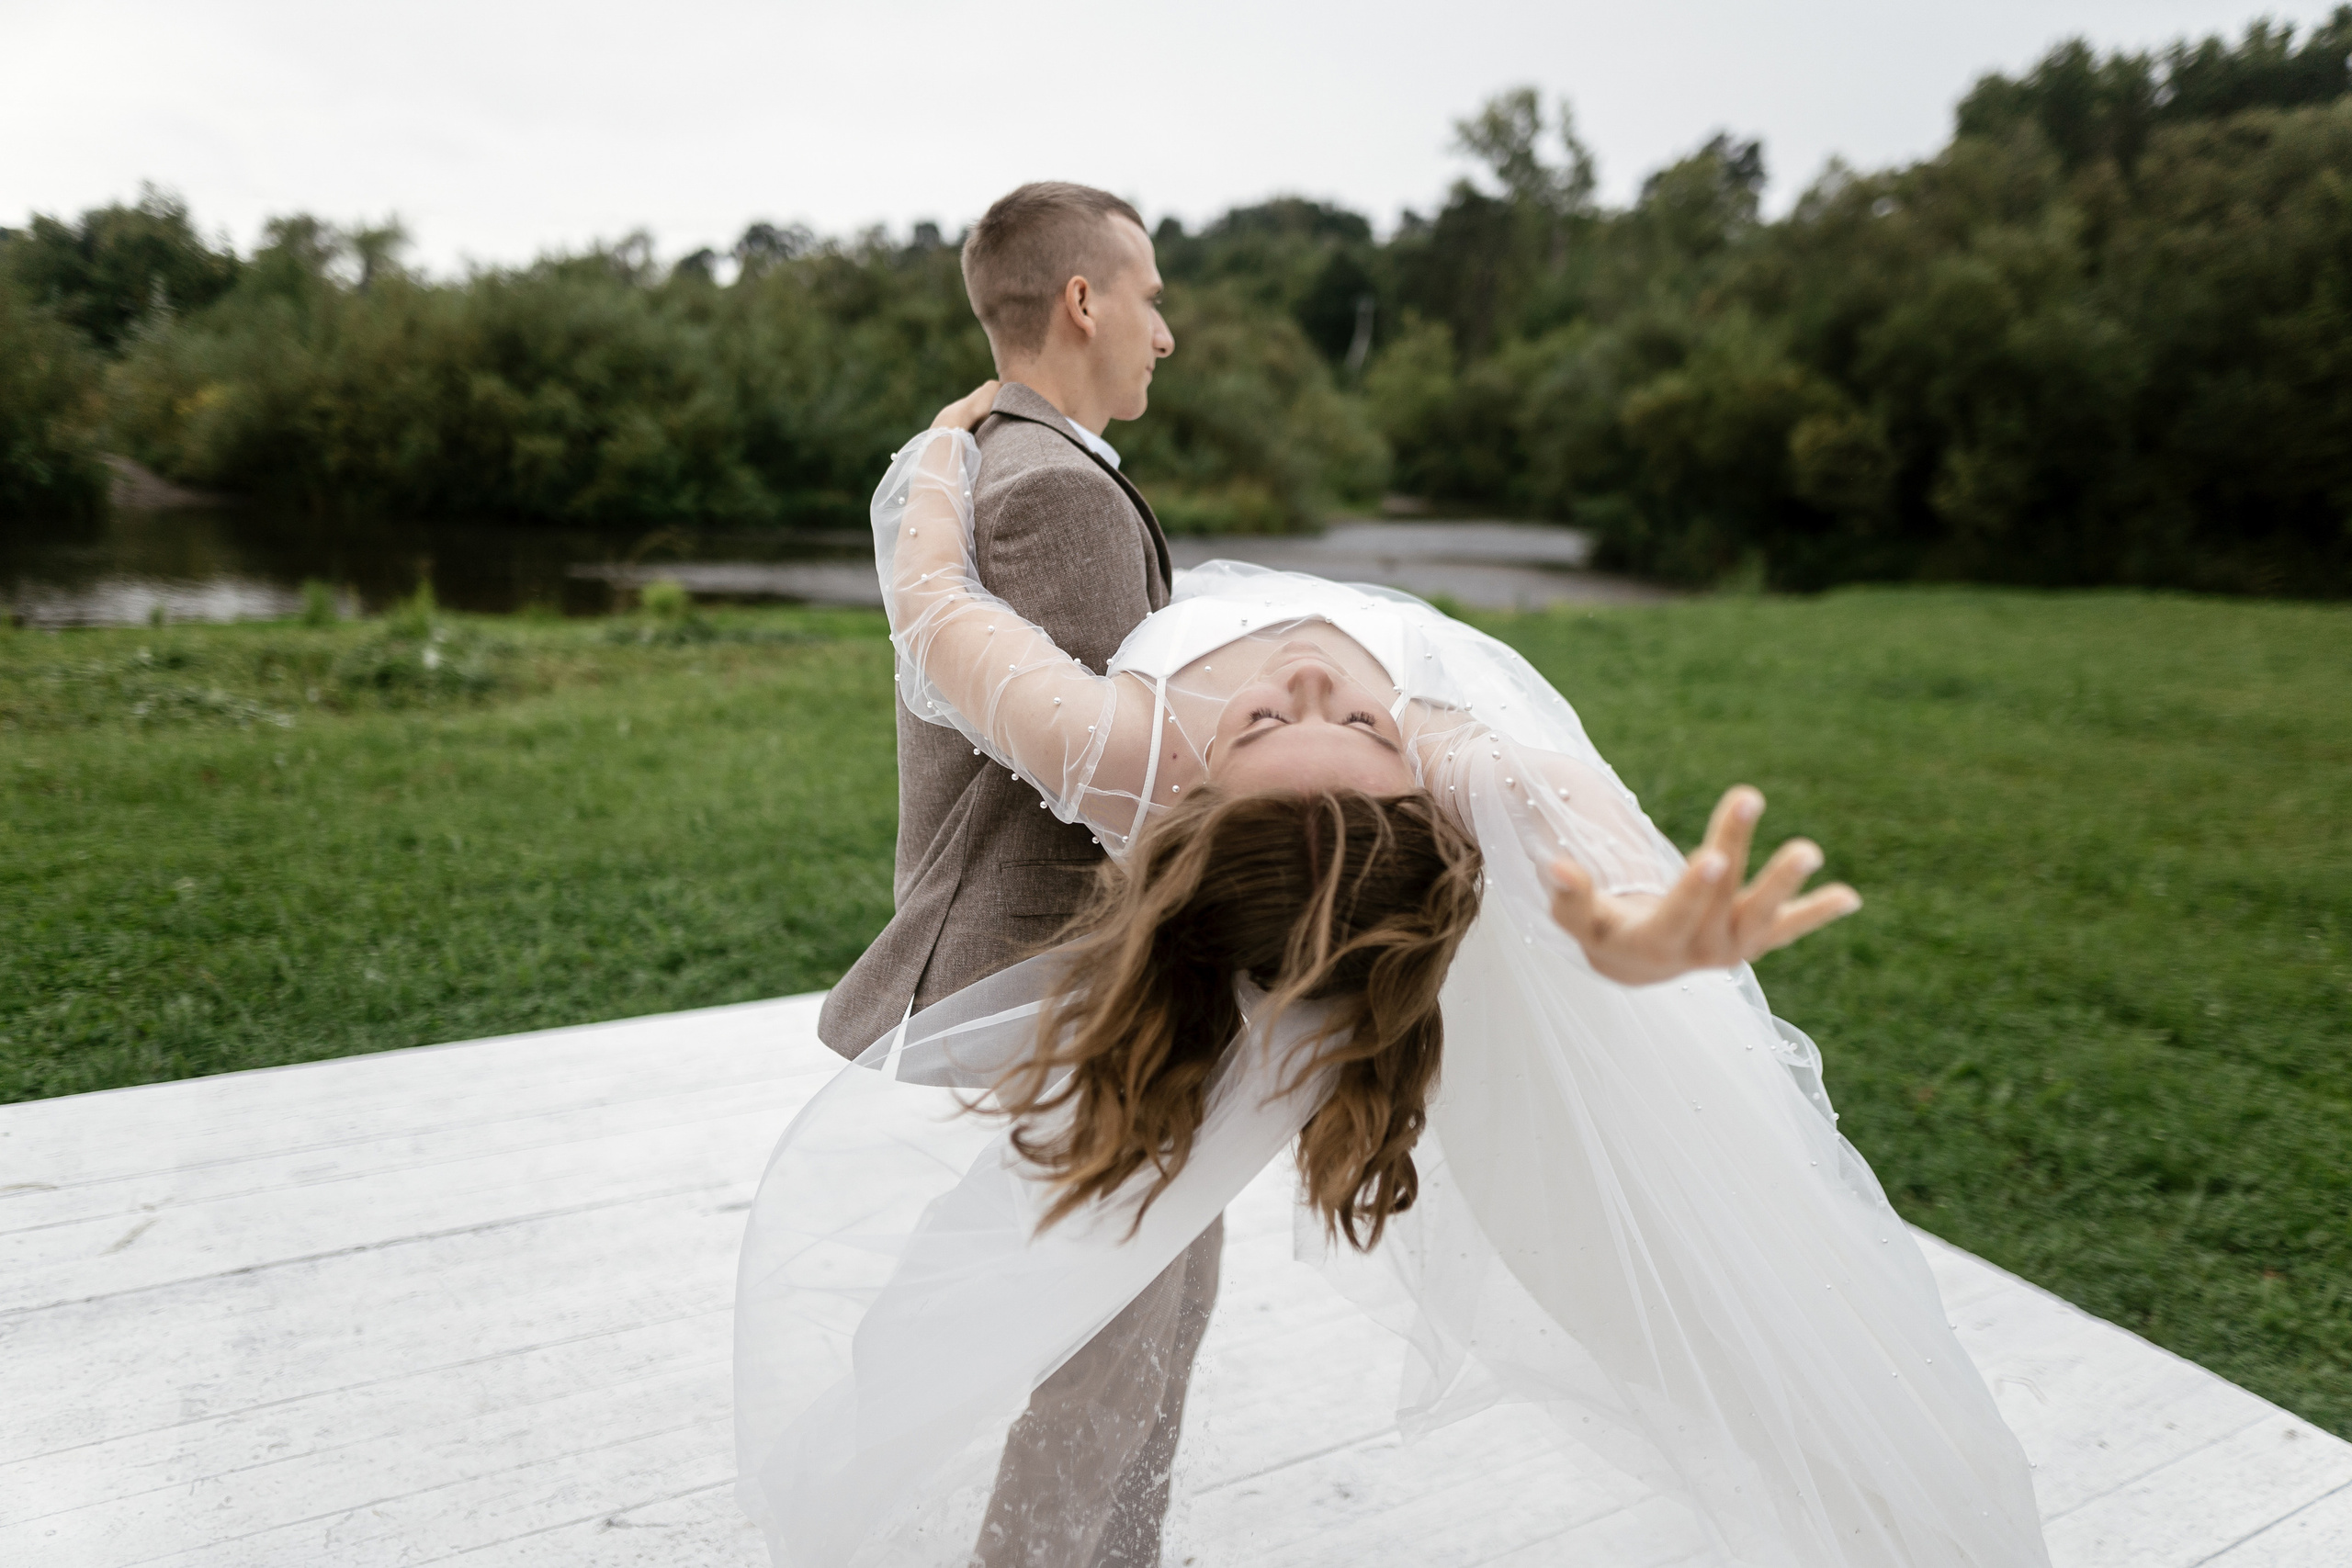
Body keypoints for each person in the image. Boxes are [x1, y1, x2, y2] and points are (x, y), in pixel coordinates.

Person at [732, 381, 2053, 1567]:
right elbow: (1528, 786)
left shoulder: (1124, 748)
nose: (1314, 680)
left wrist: (948, 449)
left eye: (1294, 720)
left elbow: (938, 608)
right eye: (1351, 722)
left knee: (1134, 1264)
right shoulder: (1428, 755)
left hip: (1236, 934)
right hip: (1281, 939)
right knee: (1138, 1274)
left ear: (1196, 790)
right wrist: (1629, 921)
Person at [812, 182, 1216, 1568]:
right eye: (1152, 297)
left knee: (1159, 1291)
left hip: (1086, 963)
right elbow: (1129, 788)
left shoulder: (989, 458)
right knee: (1117, 1325)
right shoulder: (1054, 491)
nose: (1166, 332)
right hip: (1086, 964)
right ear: (1084, 302)